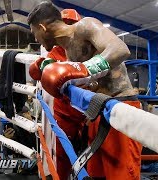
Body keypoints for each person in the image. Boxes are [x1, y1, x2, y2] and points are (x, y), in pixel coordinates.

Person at [28, 2, 141, 179]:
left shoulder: (85, 26)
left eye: (35, 33)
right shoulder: (67, 52)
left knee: (122, 176)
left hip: (121, 108)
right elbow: (94, 82)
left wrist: (84, 69)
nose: (36, 39)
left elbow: (120, 49)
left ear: (42, 27)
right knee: (96, 175)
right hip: (97, 112)